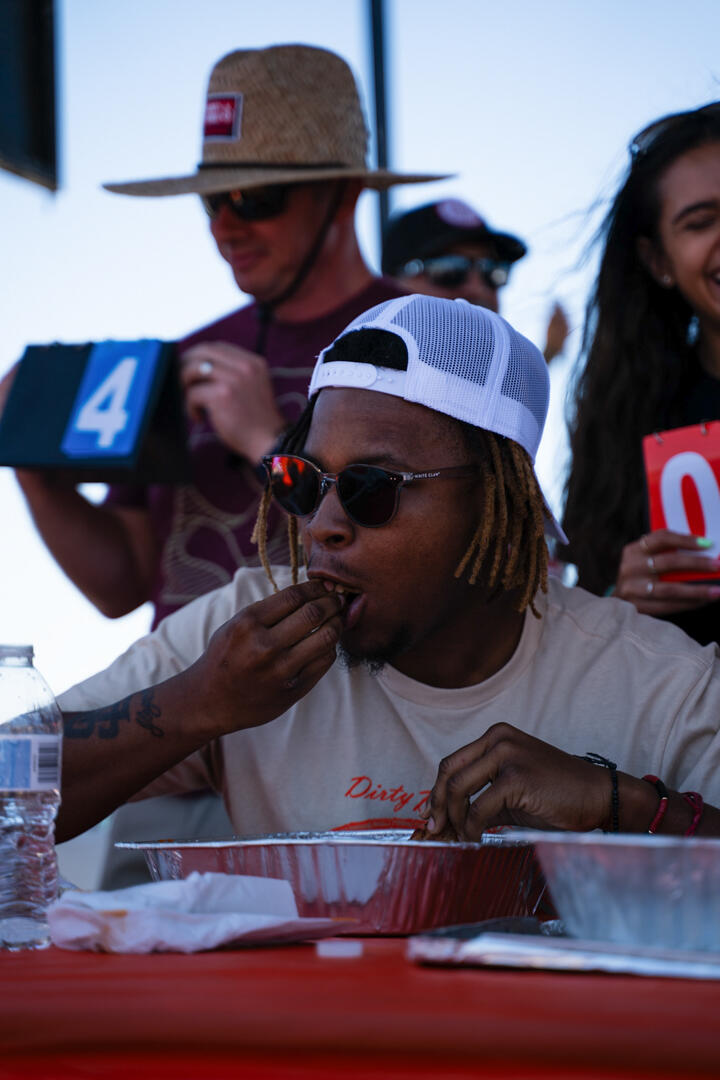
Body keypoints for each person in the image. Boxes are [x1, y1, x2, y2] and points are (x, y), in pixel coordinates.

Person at [55, 296, 720, 846]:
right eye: (303, 480)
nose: (321, 524)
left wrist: (623, 807)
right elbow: (12, 785)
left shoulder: (657, 685)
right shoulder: (242, 642)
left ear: (497, 499)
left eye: (373, 486)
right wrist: (195, 705)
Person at [10, 43, 445, 631]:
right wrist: (32, 466)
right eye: (213, 199)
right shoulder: (183, 357)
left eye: (252, 198)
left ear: (343, 193)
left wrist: (269, 443)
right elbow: (122, 585)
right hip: (189, 715)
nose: (224, 226)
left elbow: (492, 557)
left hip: (351, 711)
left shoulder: (437, 341)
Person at [562, 102, 720, 646]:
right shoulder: (627, 420)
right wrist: (618, 603)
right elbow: (575, 630)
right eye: (700, 222)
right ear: (658, 262)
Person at [381, 198, 569, 363]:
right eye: (450, 270)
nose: (478, 289)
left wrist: (548, 355)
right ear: (391, 283)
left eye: (492, 271)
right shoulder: (356, 379)